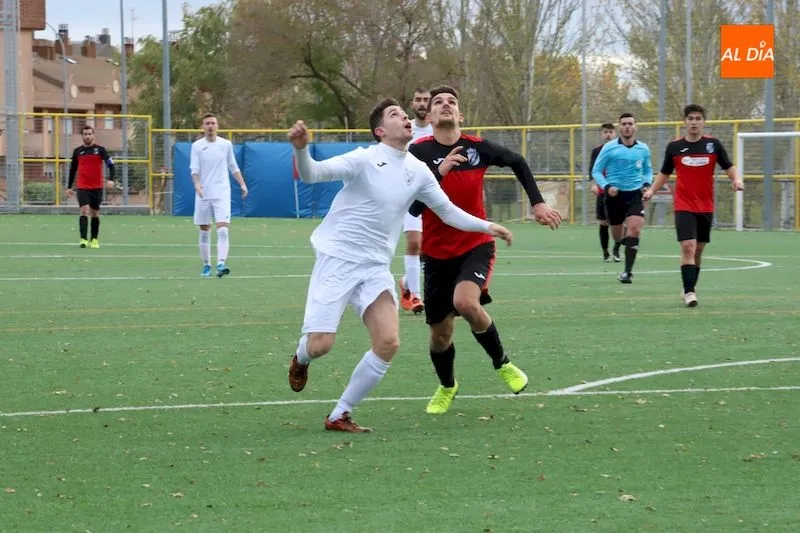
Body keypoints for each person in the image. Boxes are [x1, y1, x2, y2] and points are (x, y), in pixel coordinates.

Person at [286, 98, 513, 433]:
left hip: (375, 267)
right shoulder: (364, 158)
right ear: (380, 130)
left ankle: (340, 415)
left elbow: (448, 211)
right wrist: (302, 150)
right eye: (396, 115)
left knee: (388, 342)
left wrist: (486, 225)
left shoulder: (418, 170)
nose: (405, 118)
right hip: (338, 259)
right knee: (321, 345)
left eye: (406, 115)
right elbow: (312, 174)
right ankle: (301, 358)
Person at [407, 85, 562, 415]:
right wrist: (439, 172)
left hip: (475, 244)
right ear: (430, 116)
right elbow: (413, 210)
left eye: (452, 101)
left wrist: (537, 203)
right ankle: (448, 386)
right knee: (440, 335)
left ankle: (502, 363)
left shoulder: (478, 147)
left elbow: (518, 161)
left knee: (465, 302)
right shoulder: (417, 153)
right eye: (438, 103)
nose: (445, 105)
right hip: (436, 253)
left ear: (460, 115)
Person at [644, 104, 743, 307]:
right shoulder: (674, 147)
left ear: (703, 122)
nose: (694, 122)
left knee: (698, 249)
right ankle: (690, 292)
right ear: (685, 122)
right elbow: (664, 173)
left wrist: (737, 180)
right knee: (688, 247)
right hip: (683, 204)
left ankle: (689, 286)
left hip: (705, 205)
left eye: (698, 118)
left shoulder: (713, 145)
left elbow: (728, 166)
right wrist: (652, 190)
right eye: (690, 118)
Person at [591, 112, 653, 284]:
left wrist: (646, 184)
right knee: (618, 237)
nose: (627, 126)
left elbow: (648, 170)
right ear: (619, 127)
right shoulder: (609, 148)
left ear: (635, 127)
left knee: (635, 229)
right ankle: (621, 244)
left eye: (630, 123)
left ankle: (627, 272)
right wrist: (607, 187)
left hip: (635, 194)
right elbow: (596, 171)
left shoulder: (643, 149)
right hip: (614, 196)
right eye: (624, 124)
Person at [190, 113, 248, 278]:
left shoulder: (226, 145)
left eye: (213, 123)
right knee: (204, 230)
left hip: (222, 192)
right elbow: (194, 170)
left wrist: (242, 184)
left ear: (217, 126)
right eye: (207, 123)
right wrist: (197, 185)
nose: (210, 126)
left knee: (223, 229)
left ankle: (221, 263)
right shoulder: (197, 146)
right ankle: (206, 265)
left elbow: (233, 166)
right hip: (203, 193)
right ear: (203, 127)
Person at [398, 88, 433, 314]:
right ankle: (416, 297)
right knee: (414, 243)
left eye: (426, 100)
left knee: (432, 251)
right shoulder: (405, 129)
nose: (422, 103)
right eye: (418, 99)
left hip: (437, 196)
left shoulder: (438, 128)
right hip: (411, 196)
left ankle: (406, 283)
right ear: (412, 103)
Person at [67, 125, 115, 248]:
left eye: (89, 134)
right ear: (82, 136)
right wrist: (69, 186)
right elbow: (73, 170)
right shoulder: (77, 151)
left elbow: (111, 165)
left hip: (97, 187)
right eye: (85, 134)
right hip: (82, 186)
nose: (87, 136)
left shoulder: (100, 150)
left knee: (94, 213)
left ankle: (94, 239)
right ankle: (83, 239)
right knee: (84, 210)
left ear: (93, 135)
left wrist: (111, 179)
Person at [588, 122, 618, 261]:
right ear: (601, 134)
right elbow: (592, 170)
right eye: (605, 132)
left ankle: (617, 250)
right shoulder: (596, 151)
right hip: (602, 191)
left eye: (610, 132)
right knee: (603, 222)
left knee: (620, 222)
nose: (608, 135)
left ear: (615, 133)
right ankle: (605, 252)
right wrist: (593, 184)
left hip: (619, 191)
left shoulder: (621, 149)